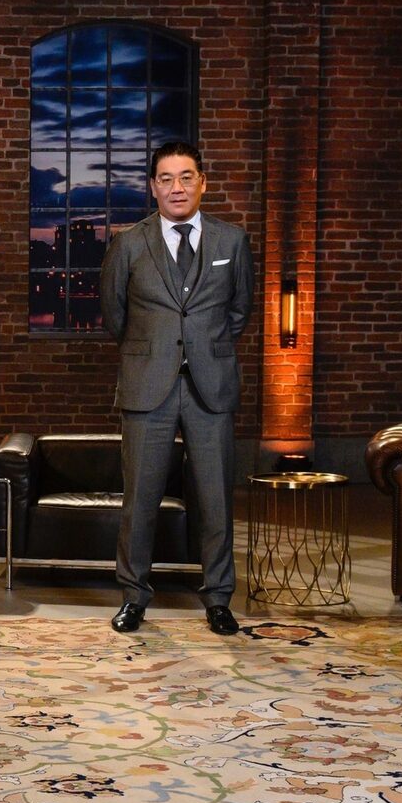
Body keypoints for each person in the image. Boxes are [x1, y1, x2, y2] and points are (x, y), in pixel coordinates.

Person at [100, 141, 254, 637]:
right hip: (148, 385)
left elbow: (239, 311)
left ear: (203, 182)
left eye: (186, 177)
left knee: (215, 498)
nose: (177, 187)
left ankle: (218, 599)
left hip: (212, 385)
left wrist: (203, 347)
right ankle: (133, 596)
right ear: (153, 187)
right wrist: (156, 350)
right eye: (166, 178)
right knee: (140, 499)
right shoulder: (128, 243)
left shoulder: (232, 241)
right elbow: (115, 314)